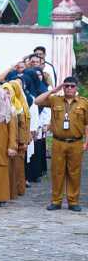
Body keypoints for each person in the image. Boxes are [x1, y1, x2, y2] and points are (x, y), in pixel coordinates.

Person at [36, 77, 87, 211]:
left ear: (76, 88)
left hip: (76, 142)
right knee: (57, 172)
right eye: (66, 86)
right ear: (63, 87)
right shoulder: (55, 100)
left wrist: (86, 142)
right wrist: (53, 90)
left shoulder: (83, 103)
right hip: (58, 141)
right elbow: (37, 101)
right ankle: (56, 201)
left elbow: (87, 124)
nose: (69, 88)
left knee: (74, 173)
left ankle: (73, 201)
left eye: (72, 86)